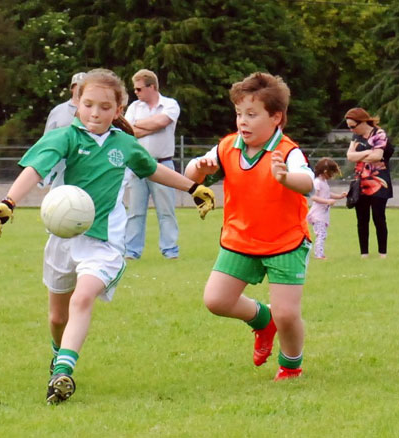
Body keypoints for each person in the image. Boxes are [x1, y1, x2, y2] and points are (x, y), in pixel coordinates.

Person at [0, 68, 215, 405]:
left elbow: (152, 169)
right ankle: (58, 352)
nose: (96, 113)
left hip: (104, 243)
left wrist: (193, 187)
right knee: (57, 317)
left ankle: (64, 371)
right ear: (77, 103)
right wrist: (8, 201)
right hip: (62, 242)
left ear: (119, 110)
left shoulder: (124, 144)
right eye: (89, 104)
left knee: (83, 298)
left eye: (105, 107)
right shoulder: (65, 137)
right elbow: (34, 169)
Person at [185, 72, 314, 381]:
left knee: (287, 313)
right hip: (240, 238)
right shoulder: (228, 146)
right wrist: (198, 169)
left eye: (252, 114)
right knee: (216, 301)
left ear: (276, 117)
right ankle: (262, 321)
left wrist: (285, 178)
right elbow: (192, 175)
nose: (242, 120)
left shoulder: (288, 151)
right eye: (239, 113)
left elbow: (308, 182)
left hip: (286, 242)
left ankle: (290, 366)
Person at [124, 69, 181, 260]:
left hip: (163, 164)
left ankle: (170, 249)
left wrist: (140, 125)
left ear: (152, 87)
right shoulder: (134, 107)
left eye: (140, 89)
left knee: (166, 211)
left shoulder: (170, 105)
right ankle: (131, 251)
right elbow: (129, 132)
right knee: (135, 212)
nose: (137, 93)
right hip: (138, 167)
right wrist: (151, 125)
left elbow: (162, 122)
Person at [345, 107, 393, 259]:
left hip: (378, 181)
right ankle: (364, 253)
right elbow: (350, 157)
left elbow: (377, 156)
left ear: (363, 122)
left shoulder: (379, 134)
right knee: (362, 218)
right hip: (360, 181)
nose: (352, 130)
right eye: (349, 127)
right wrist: (367, 153)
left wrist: (359, 155)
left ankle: (382, 253)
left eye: (353, 126)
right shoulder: (356, 137)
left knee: (379, 217)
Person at [40, 72, 86, 188]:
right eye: (78, 86)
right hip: (62, 161)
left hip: (85, 161)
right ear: (72, 88)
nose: (81, 89)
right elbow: (47, 139)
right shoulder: (58, 111)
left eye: (84, 86)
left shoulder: (94, 111)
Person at [306, 158, 347, 260]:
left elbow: (328, 194)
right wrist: (327, 201)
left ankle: (319, 253)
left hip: (322, 214)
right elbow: (313, 197)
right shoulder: (317, 182)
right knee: (321, 234)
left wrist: (339, 196)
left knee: (322, 234)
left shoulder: (323, 182)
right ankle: (319, 255)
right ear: (325, 171)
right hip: (317, 214)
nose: (332, 176)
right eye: (331, 173)